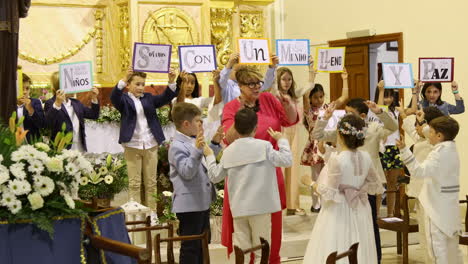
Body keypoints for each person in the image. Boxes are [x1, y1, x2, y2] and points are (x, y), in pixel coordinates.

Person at [220, 66, 298, 264]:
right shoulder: (231, 107)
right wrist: (241, 115)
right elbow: (229, 138)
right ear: (240, 86)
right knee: (244, 238)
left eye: (259, 83)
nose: (257, 88)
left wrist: (288, 105)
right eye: (251, 84)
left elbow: (290, 120)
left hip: (269, 172)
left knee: (270, 234)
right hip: (243, 175)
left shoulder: (268, 99)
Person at [312, 98, 398, 263]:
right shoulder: (342, 131)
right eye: (345, 113)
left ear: (363, 115)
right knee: (345, 226)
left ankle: (373, 257)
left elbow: (393, 127)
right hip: (343, 185)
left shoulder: (373, 128)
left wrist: (379, 112)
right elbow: (317, 135)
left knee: (370, 223)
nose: (346, 116)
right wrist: (325, 118)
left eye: (350, 113)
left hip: (365, 185)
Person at [206, 108, 292, 263]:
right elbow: (286, 160)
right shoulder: (264, 146)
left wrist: (210, 155)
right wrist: (281, 140)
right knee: (262, 251)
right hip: (261, 207)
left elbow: (214, 176)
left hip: (239, 208)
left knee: (242, 252)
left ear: (235, 128)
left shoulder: (229, 151)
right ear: (256, 127)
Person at [303, 114, 383, 263]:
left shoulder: (337, 159)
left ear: (340, 134)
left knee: (338, 241)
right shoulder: (366, 157)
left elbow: (328, 192)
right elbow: (376, 184)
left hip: (339, 210)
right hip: (360, 207)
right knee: (360, 243)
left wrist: (311, 183)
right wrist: (358, 188)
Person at [397, 116, 463, 264]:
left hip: (435, 209)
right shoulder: (451, 148)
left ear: (439, 136)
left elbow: (419, 172)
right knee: (451, 251)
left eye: (431, 132)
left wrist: (404, 150)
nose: (428, 135)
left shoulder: (438, 153)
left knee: (436, 251)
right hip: (449, 208)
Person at [110, 68, 178, 209]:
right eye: (137, 84)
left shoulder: (149, 98)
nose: (141, 87)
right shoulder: (123, 99)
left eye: (143, 84)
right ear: (129, 85)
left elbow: (165, 97)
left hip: (150, 144)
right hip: (132, 145)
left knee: (151, 183)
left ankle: (152, 213)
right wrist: (123, 79)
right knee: (134, 183)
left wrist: (171, 81)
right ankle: (136, 214)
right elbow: (114, 97)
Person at [168, 102, 223, 264]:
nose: (201, 124)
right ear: (186, 124)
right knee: (190, 248)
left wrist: (214, 144)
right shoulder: (176, 146)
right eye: (198, 121)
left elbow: (204, 161)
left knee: (203, 245)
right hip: (189, 205)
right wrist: (198, 149)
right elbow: (187, 172)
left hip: (201, 202)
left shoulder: (193, 141)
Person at [397, 105, 444, 264]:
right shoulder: (423, 141)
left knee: (432, 236)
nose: (416, 127)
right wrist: (404, 116)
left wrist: (423, 122)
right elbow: (413, 131)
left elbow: (422, 131)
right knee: (424, 235)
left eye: (420, 124)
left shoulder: (436, 145)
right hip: (421, 195)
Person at [301, 61, 349, 213]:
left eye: (321, 97)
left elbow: (344, 97)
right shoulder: (308, 111)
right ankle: (316, 204)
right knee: (315, 174)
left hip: (327, 143)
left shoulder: (327, 107)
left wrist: (344, 79)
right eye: (316, 97)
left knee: (327, 171)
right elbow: (305, 95)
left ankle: (327, 198)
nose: (319, 100)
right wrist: (311, 75)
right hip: (315, 144)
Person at [44, 71, 100, 152]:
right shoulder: (51, 103)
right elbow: (48, 124)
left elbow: (94, 115)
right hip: (62, 149)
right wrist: (57, 104)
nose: (75, 87)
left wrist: (94, 98)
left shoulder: (76, 102)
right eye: (71, 84)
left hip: (79, 148)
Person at [375, 80, 402, 217]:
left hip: (395, 148)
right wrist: (381, 90)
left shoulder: (396, 111)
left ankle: (391, 214)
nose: (388, 99)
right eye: (386, 96)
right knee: (380, 183)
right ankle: (377, 214)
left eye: (390, 96)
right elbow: (380, 107)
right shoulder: (376, 110)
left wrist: (415, 91)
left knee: (393, 182)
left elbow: (413, 110)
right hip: (382, 149)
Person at [16, 73, 45, 142]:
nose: (25, 92)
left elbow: (42, 124)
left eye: (27, 88)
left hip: (31, 144)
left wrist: (31, 110)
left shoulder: (35, 102)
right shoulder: (8, 105)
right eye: (22, 88)